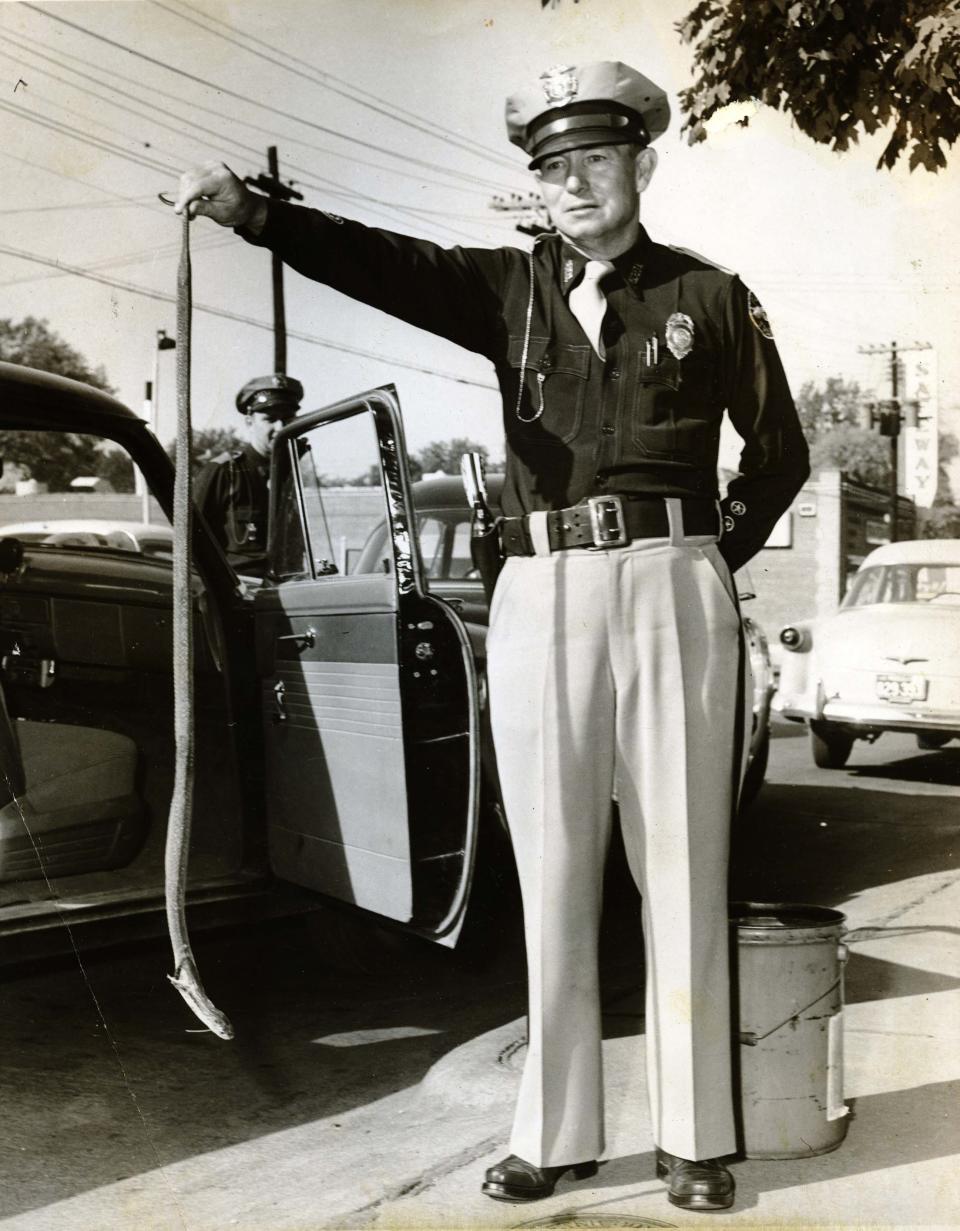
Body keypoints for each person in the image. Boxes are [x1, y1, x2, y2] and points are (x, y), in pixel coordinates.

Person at [175, 59, 809, 1213]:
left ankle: (695, 1138)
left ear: (641, 167)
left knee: (681, 864)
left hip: (672, 582)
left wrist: (707, 558)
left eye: (596, 162)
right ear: (539, 186)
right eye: (555, 169)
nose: (575, 185)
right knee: (554, 867)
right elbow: (373, 259)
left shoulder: (711, 298)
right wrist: (253, 212)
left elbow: (781, 459)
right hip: (542, 592)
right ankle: (555, 1132)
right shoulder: (504, 291)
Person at [194, 374, 302, 575]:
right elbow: (191, 544)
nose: (280, 427)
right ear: (249, 421)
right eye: (270, 419)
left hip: (286, 587)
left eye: (287, 419)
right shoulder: (224, 471)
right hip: (240, 595)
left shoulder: (290, 471)